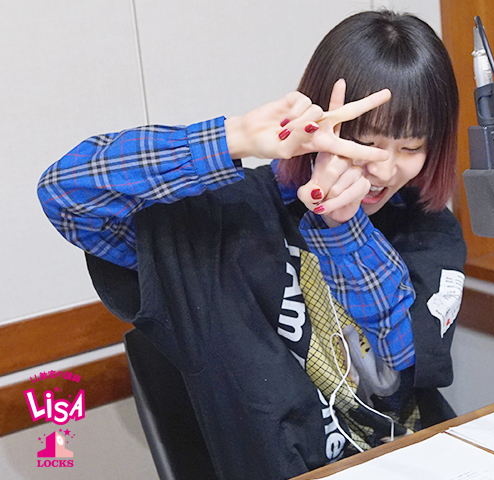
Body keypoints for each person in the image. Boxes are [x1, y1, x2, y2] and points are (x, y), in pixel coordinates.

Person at [38, 9, 466, 480]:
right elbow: (66, 194)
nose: (385, 169)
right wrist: (232, 138)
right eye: (365, 142)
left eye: (411, 148)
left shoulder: (426, 227)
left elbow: (396, 367)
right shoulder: (223, 218)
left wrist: (343, 227)